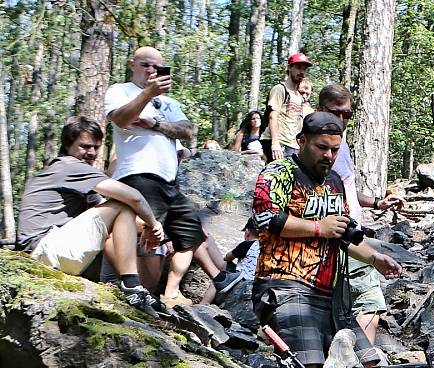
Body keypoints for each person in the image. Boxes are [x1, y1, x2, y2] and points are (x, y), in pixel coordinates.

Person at [251, 112, 404, 368]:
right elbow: (266, 219)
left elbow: (346, 234)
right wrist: (318, 228)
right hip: (284, 281)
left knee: (361, 363)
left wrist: (376, 257)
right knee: (306, 361)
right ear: (302, 141)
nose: (329, 156)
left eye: (335, 149)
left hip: (330, 292)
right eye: (322, 147)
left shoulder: (335, 182)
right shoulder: (278, 174)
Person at [104, 46, 243, 309]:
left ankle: (179, 289)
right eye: (145, 65)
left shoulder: (169, 102)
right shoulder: (120, 91)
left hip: (170, 181)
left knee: (190, 232)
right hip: (138, 174)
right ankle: (133, 287)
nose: (151, 71)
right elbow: (120, 118)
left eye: (157, 67)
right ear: (132, 64)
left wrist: (155, 124)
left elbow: (188, 130)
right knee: (142, 233)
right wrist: (147, 95)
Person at [15, 116, 167, 316]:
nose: (91, 153)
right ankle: (131, 286)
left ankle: (127, 287)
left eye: (96, 147)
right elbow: (133, 197)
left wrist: (153, 232)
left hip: (49, 251)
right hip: (43, 250)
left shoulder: (76, 176)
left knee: (119, 215)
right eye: (85, 146)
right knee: (123, 204)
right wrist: (154, 224)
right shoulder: (70, 166)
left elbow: (122, 221)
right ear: (68, 145)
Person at [321, 83, 404, 345]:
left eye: (348, 114)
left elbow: (347, 188)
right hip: (333, 234)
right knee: (367, 296)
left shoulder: (341, 145)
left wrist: (378, 203)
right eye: (338, 113)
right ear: (323, 109)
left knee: (367, 300)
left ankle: (359, 367)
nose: (343, 119)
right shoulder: (318, 146)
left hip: (352, 229)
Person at [265, 53, 313, 162]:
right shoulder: (280, 89)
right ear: (290, 68)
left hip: (293, 145)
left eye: (304, 69)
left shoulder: (298, 95)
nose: (301, 72)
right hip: (279, 144)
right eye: (298, 68)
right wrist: (275, 142)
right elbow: (273, 116)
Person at [200, 219, 260, 304]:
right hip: (257, 281)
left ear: (247, 232)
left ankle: (204, 303)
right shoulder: (266, 246)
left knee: (219, 278)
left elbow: (228, 257)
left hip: (243, 279)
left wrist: (228, 256)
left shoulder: (247, 245)